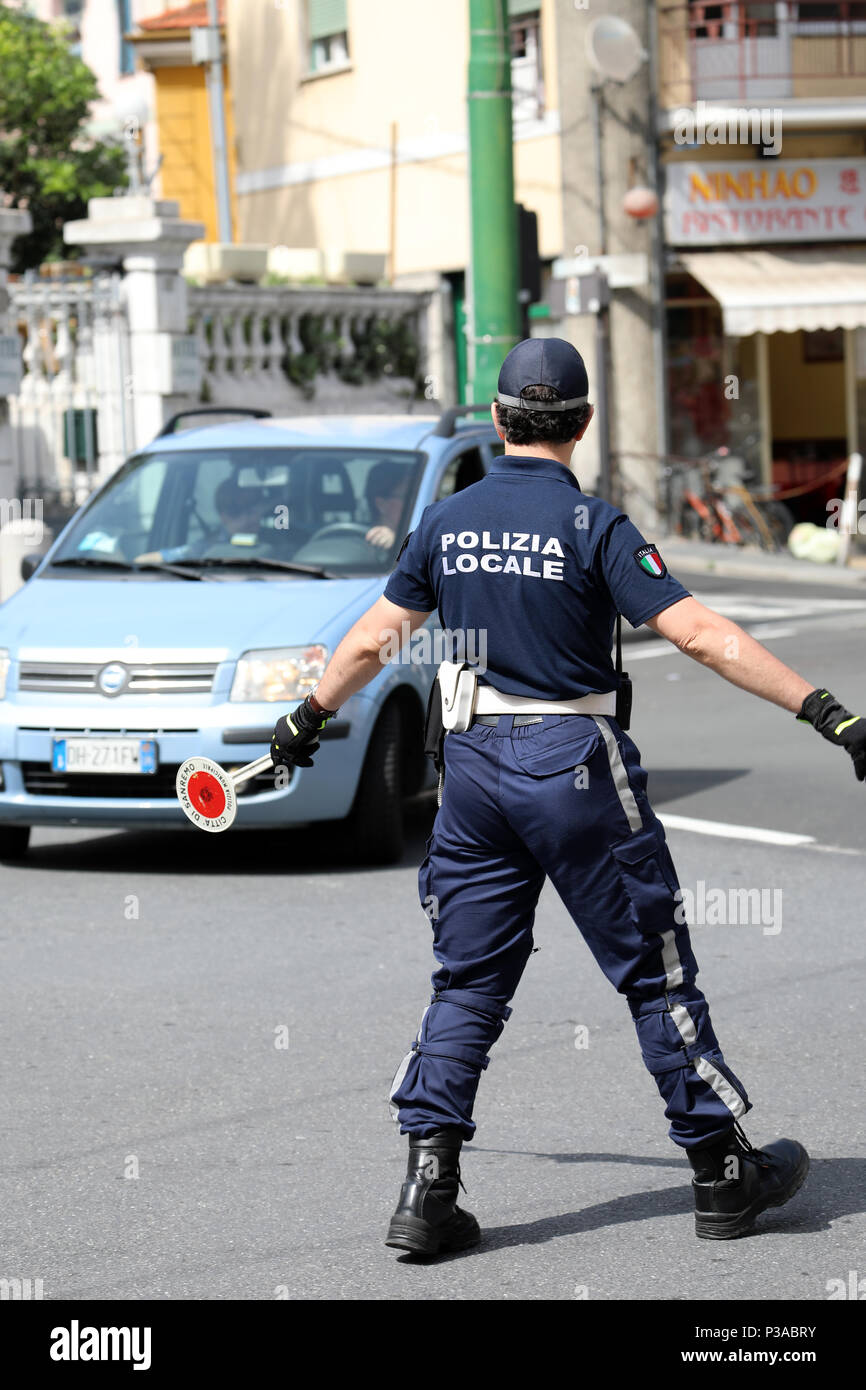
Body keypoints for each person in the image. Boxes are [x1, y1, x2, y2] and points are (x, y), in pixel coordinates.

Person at [269, 338, 865, 1259]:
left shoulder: (446, 521)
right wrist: (828, 714)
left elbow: (371, 642)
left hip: (468, 768)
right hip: (572, 761)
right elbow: (702, 636)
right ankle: (719, 1174)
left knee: (468, 981)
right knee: (654, 974)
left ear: (499, 420)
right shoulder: (594, 527)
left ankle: (429, 1191)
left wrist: (303, 723)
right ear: (582, 425)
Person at [135, 477, 266, 565]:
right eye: (236, 512)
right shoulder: (208, 546)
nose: (247, 519)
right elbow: (164, 557)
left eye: (252, 510)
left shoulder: (282, 539)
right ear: (222, 515)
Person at [363, 460, 410, 551]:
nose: (411, 500)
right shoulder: (360, 544)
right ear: (381, 504)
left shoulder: (421, 533)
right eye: (406, 496)